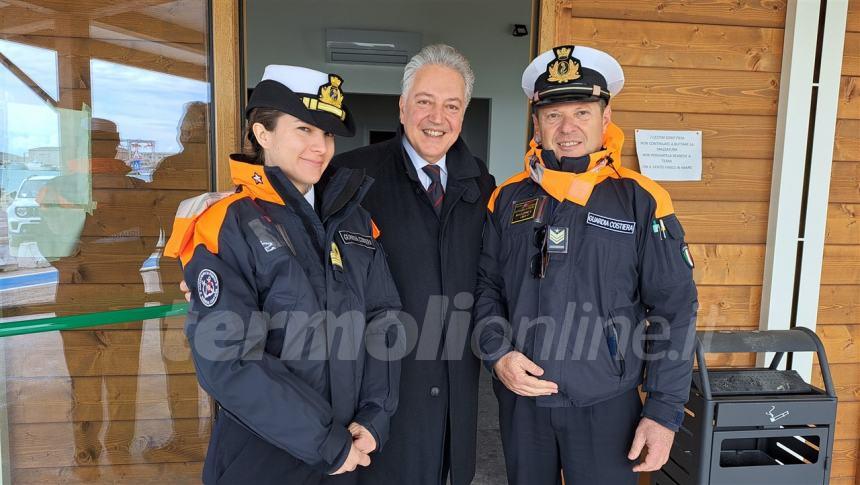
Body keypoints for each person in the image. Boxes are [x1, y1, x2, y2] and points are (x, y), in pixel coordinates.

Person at [164, 65, 404, 484]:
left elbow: (384, 318)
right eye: (305, 130)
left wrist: (374, 416)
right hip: (264, 458)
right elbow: (229, 359)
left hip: (347, 450)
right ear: (263, 134)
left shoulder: (356, 221)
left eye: (327, 134)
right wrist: (325, 443)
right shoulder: (226, 223)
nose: (321, 147)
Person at [474, 45, 698, 484]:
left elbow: (675, 306)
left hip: (607, 403)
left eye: (581, 111)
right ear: (536, 123)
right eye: (553, 115)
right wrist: (498, 355)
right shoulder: (509, 197)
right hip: (525, 403)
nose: (568, 127)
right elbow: (486, 289)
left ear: (605, 117)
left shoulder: (641, 199)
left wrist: (663, 411)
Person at [330, 44, 495, 485]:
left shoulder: (479, 180)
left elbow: (489, 274)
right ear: (402, 107)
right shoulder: (351, 174)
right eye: (424, 102)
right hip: (378, 384)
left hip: (454, 384)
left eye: (451, 105)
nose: (436, 117)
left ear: (463, 114)